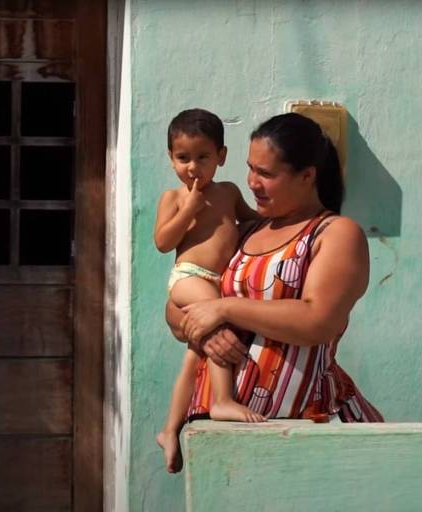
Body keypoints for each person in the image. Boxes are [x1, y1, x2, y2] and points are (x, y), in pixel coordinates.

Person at [168, 112, 383, 429]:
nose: (252, 182)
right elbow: (175, 306)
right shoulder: (245, 231)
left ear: (307, 176)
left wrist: (223, 308)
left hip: (312, 427)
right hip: (226, 434)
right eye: (250, 168)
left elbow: (318, 322)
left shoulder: (334, 234)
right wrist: (209, 330)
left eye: (266, 173)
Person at [154, 108, 263, 474]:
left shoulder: (229, 193)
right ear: (171, 159)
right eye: (183, 158)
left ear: (221, 156)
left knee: (195, 353)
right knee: (221, 320)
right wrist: (188, 210)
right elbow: (162, 242)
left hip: (215, 282)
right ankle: (222, 400)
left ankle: (169, 430)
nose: (192, 167)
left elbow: (254, 219)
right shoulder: (173, 198)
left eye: (203, 157)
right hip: (187, 277)